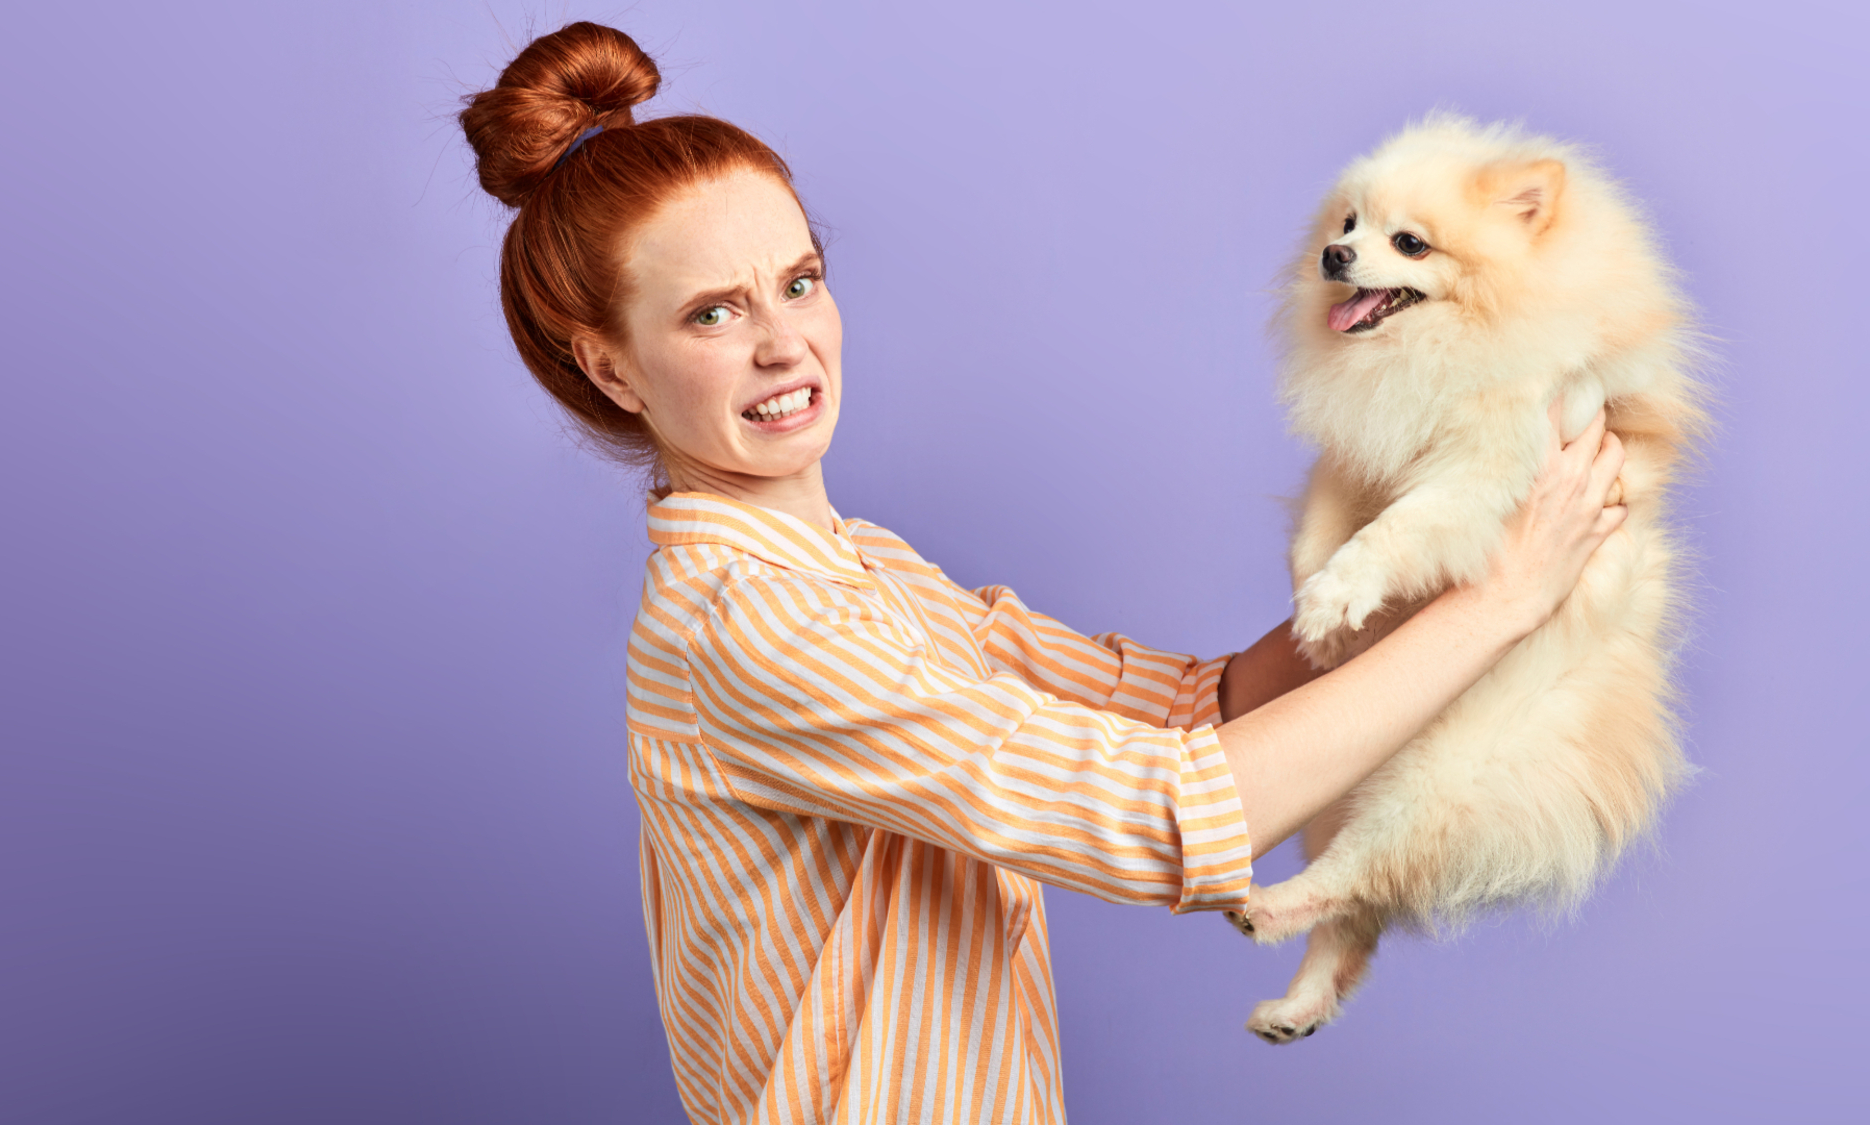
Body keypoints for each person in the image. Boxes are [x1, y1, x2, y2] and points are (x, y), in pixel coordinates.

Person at [460, 22, 1628, 1125]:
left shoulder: (861, 574)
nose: (784, 344)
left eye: (800, 281)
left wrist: (1430, 536)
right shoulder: (743, 626)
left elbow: (1195, 712)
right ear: (612, 370)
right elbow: (1161, 816)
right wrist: (1499, 600)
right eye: (712, 313)